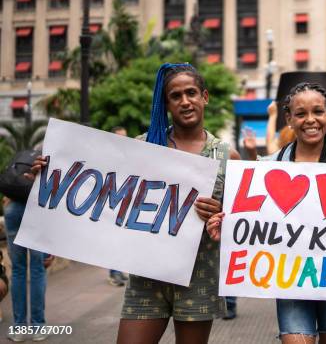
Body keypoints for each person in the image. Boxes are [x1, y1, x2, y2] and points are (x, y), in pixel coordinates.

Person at [31, 63, 240, 343]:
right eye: (175, 96)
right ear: (165, 104)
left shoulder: (227, 156)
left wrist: (219, 216)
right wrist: (52, 176)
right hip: (146, 279)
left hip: (198, 278)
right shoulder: (142, 147)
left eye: (191, 93)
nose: (185, 101)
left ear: (205, 96)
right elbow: (104, 197)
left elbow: (242, 225)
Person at [208, 82, 326, 344]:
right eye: (301, 113)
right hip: (290, 279)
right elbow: (247, 220)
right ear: (289, 119)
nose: (311, 120)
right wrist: (226, 224)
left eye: (318, 112)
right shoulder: (265, 169)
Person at [4, 193, 54, 342]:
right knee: (37, 269)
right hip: (36, 210)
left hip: (12, 207)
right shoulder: (44, 168)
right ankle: (38, 328)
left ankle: (19, 329)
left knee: (18, 270)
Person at [107, 126, 130, 287]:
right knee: (113, 239)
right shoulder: (110, 156)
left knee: (121, 240)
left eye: (125, 136)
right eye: (120, 136)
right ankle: (113, 273)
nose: (124, 139)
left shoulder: (126, 156)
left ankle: (119, 271)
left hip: (124, 203)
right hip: (112, 204)